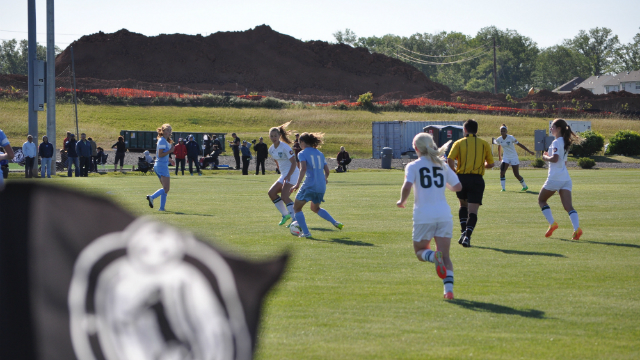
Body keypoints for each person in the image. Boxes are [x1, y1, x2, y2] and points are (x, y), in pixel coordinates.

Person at [397, 132, 462, 300]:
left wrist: (402, 201)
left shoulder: (413, 166)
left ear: (416, 148)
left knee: (420, 251)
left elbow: (407, 185)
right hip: (443, 215)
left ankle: (433, 256)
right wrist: (444, 185)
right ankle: (448, 291)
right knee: (446, 255)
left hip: (424, 215)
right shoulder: (442, 165)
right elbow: (458, 187)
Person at [447, 119, 494, 248]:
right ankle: (467, 236)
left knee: (463, 205)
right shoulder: (484, 144)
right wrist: (482, 164)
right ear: (476, 130)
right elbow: (491, 164)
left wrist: (454, 171)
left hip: (461, 178)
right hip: (477, 179)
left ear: (465, 130)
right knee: (473, 211)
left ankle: (463, 232)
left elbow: (450, 159)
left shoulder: (459, 143)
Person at [291, 132, 343, 238]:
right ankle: (335, 222)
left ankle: (306, 233)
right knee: (315, 208)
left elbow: (303, 169)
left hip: (310, 184)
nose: (299, 144)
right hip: (321, 186)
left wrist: (297, 184)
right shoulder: (320, 153)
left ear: (303, 142)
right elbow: (327, 171)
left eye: (299, 142)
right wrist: (324, 179)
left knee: (296, 208)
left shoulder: (302, 153)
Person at [538, 118, 583, 240]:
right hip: (565, 178)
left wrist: (545, 157)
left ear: (559, 129)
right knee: (569, 207)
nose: (551, 128)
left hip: (555, 178)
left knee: (541, 200)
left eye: (552, 126)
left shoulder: (557, 142)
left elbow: (555, 159)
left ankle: (552, 223)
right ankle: (576, 229)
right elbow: (564, 162)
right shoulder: (565, 142)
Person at [267, 122, 300, 226]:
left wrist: (288, 175)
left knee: (285, 196)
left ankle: (296, 219)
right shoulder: (271, 149)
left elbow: (294, 162)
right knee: (271, 193)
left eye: (275, 136)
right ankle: (285, 215)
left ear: (279, 136)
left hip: (293, 173)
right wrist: (281, 172)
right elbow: (277, 161)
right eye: (271, 136)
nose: (273, 138)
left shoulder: (284, 147)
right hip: (284, 174)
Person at [494, 124, 534, 191]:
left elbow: (519, 144)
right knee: (502, 172)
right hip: (505, 157)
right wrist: (499, 156)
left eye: (504, 131)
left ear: (506, 131)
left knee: (516, 174)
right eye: (501, 131)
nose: (502, 132)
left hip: (513, 157)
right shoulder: (499, 139)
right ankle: (503, 189)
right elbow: (499, 146)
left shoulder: (511, 137)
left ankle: (524, 186)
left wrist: (529, 151)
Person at [146, 124, 174, 211]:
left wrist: (170, 159)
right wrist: (170, 151)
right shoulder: (162, 141)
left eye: (170, 130)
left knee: (164, 188)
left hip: (159, 166)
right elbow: (160, 154)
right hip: (161, 166)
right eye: (168, 130)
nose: (169, 132)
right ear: (164, 131)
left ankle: (162, 208)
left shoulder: (164, 141)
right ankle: (152, 197)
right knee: (166, 188)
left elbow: (162, 154)